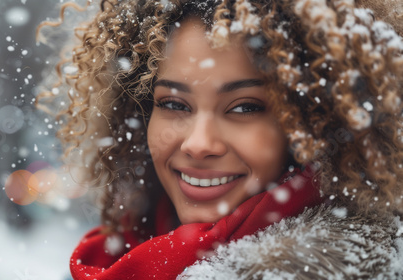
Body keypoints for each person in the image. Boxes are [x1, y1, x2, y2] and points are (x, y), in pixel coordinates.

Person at [38, 0, 403, 278]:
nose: (198, 143)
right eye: (174, 104)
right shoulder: (123, 250)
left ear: (316, 121)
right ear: (138, 113)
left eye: (244, 108)